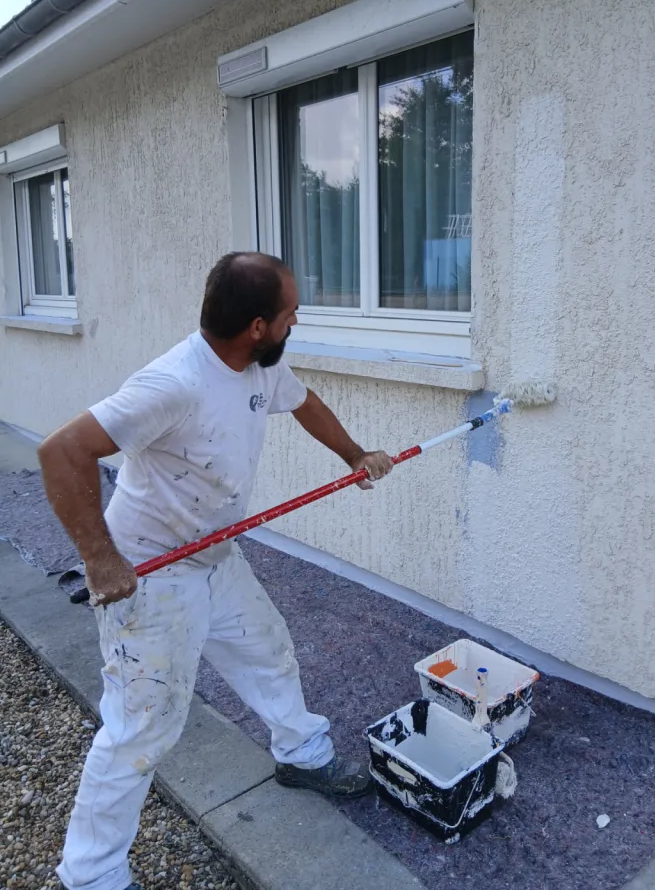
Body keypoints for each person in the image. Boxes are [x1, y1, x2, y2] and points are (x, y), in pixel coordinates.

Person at [38, 252, 394, 890]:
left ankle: (301, 754)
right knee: (142, 726)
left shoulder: (260, 365)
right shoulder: (173, 383)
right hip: (151, 570)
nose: (296, 324)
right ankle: (89, 876)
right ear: (258, 325)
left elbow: (303, 401)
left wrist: (356, 456)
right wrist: (101, 559)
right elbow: (61, 451)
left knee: (268, 649)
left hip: (212, 554)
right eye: (290, 314)